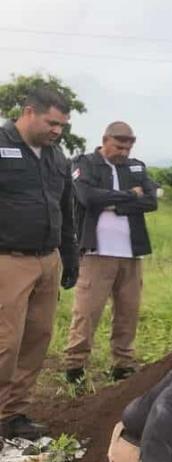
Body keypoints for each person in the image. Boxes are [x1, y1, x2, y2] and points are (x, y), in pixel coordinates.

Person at [0, 86, 79, 439]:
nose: (57, 131)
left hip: (47, 259)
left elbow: (66, 208)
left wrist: (70, 254)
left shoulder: (56, 156)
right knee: (6, 342)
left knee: (37, 338)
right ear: (29, 111)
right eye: (52, 123)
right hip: (8, 259)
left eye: (62, 125)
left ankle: (12, 414)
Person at [64, 121, 158, 384]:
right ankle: (75, 366)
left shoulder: (136, 166)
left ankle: (122, 365)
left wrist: (114, 203)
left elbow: (151, 201)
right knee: (87, 311)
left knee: (128, 311)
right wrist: (130, 195)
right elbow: (86, 197)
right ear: (105, 140)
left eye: (128, 147)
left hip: (131, 253)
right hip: (96, 252)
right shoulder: (85, 163)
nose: (124, 153)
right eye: (119, 147)